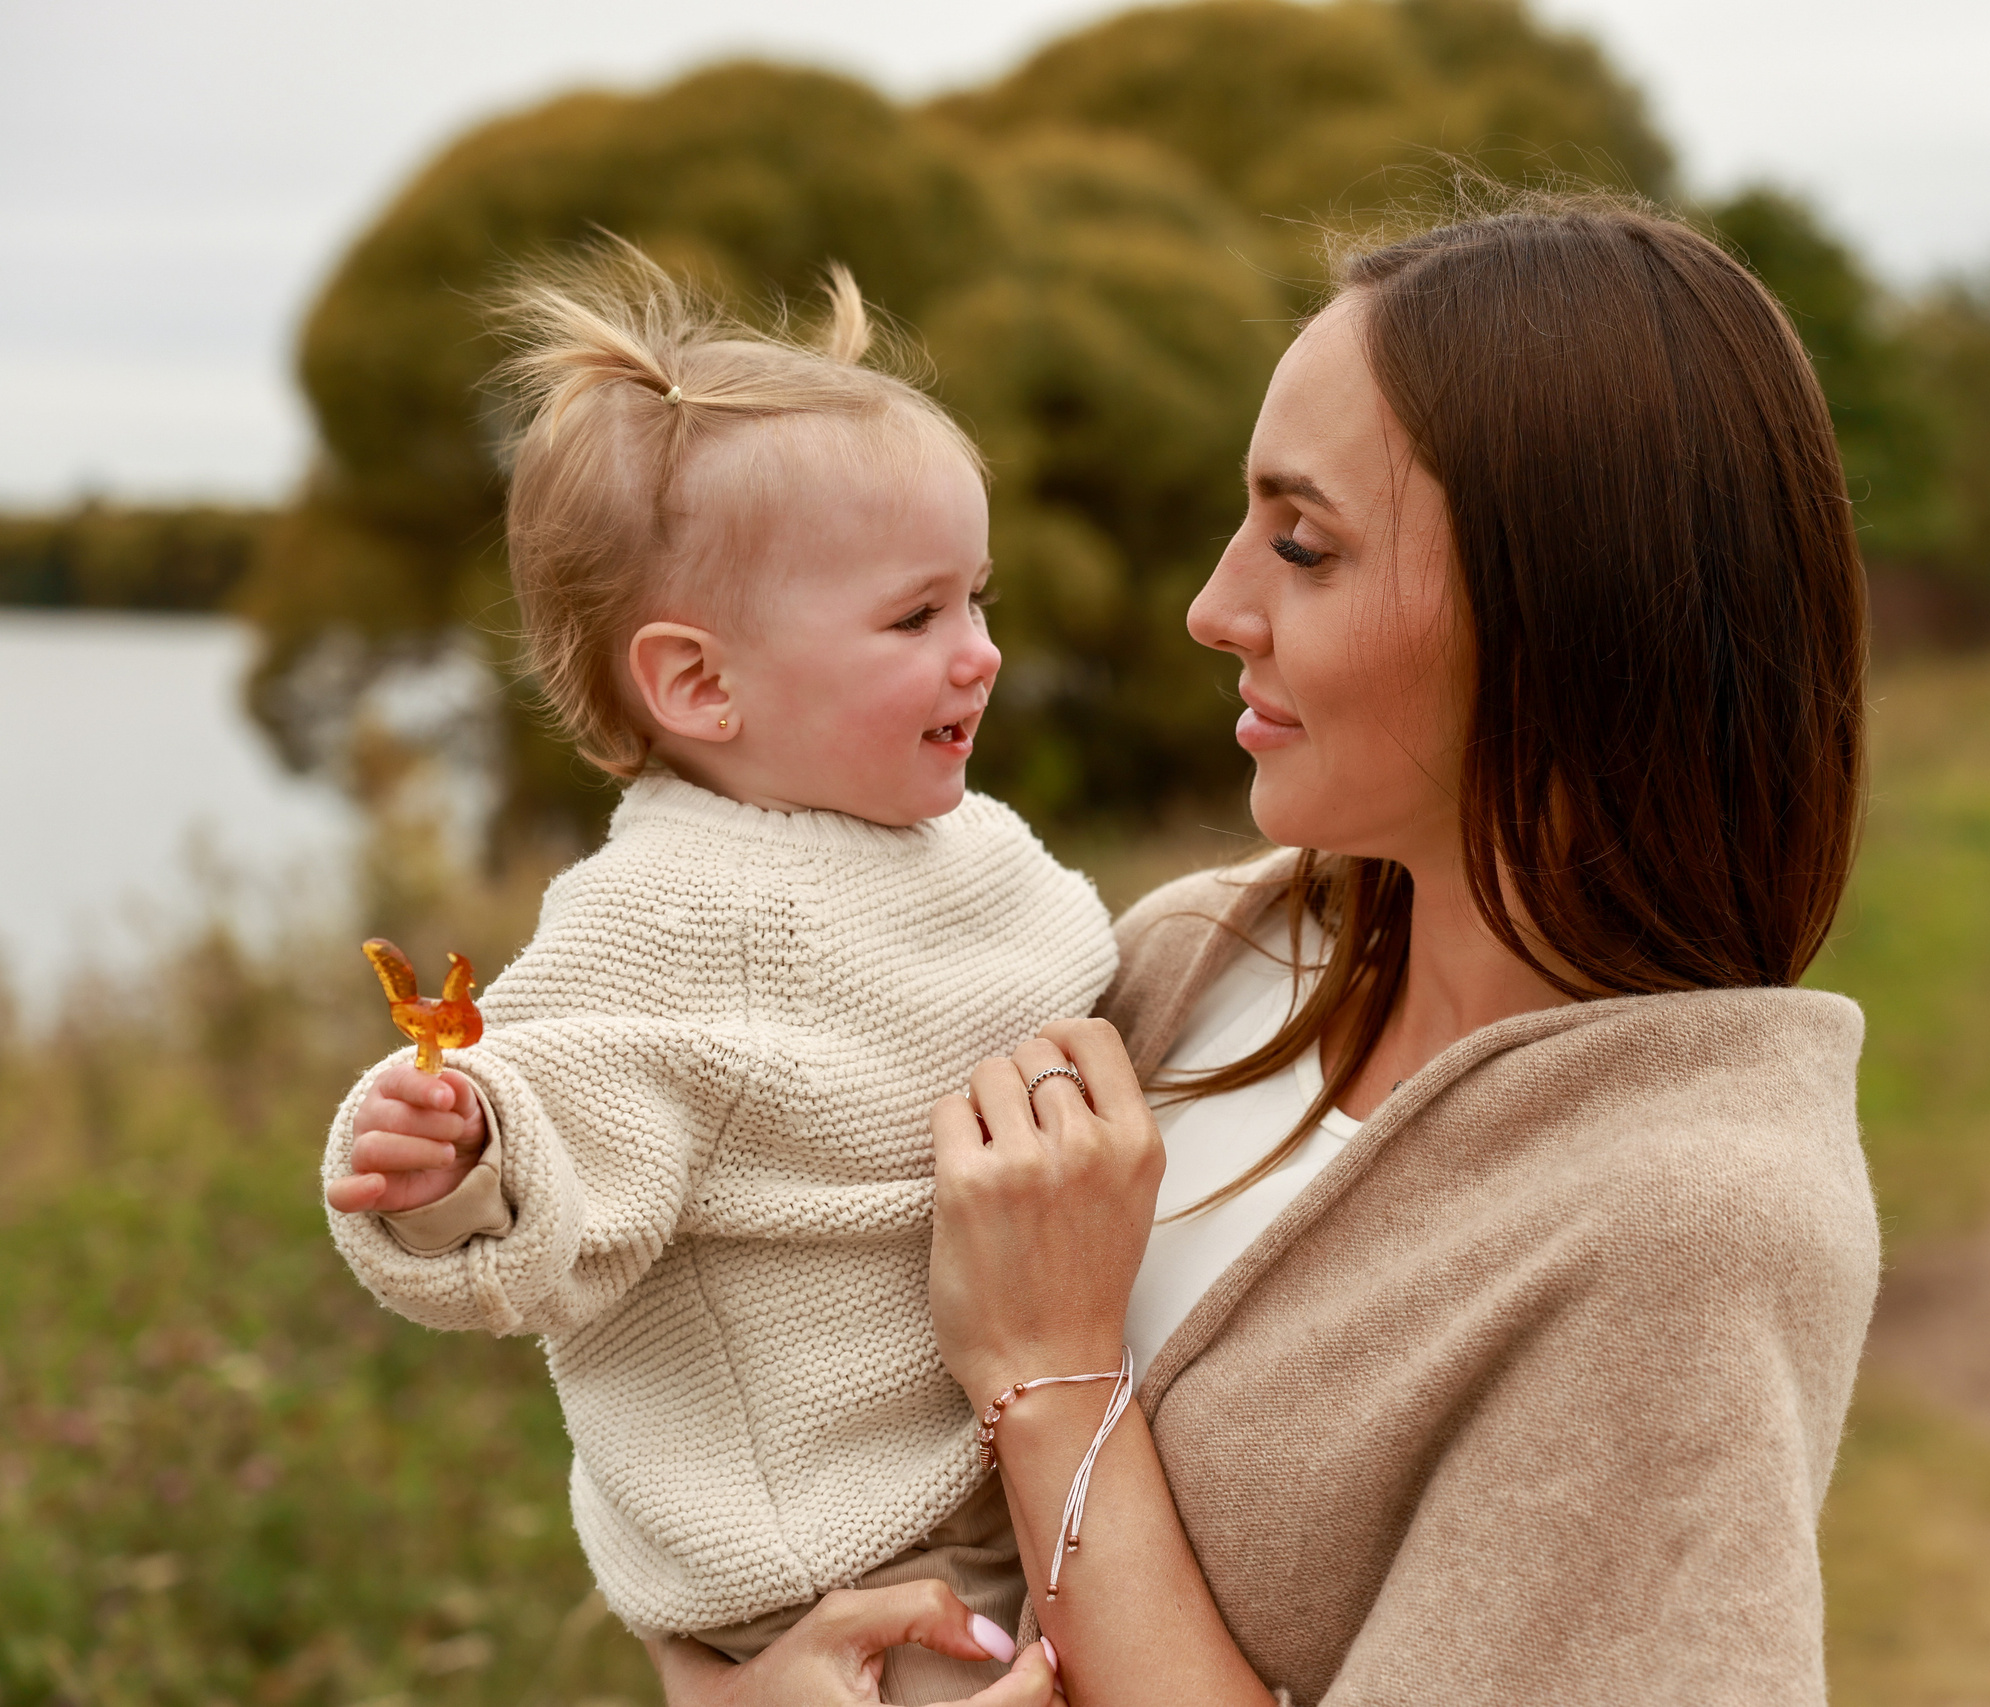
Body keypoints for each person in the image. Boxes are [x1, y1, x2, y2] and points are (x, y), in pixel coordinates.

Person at [675, 191, 1880, 1704]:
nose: (1212, 606)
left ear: (1563, 613)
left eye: (1303, 545)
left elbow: (1020, 1380)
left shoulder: (1687, 1234)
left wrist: (1051, 1382)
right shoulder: (1195, 965)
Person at [319, 242, 1096, 1704]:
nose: (982, 655)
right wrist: (460, 1157)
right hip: (830, 1564)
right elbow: (548, 1099)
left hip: (983, 1467)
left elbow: (1093, 977)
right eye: (916, 617)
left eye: (977, 602)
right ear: (699, 685)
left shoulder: (960, 839)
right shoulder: (680, 908)